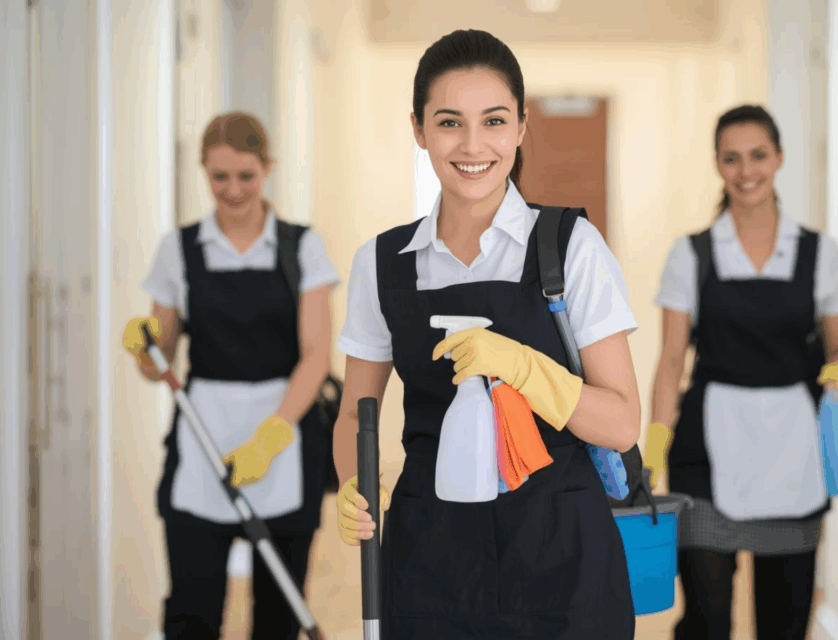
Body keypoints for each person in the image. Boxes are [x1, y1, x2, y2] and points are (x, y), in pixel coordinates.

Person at [333, 28, 641, 640]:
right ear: (418, 129)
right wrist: (353, 482)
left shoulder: (568, 249)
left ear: (522, 127)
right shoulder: (383, 262)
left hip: (562, 555)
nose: (473, 145)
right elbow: (354, 414)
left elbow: (622, 422)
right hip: (430, 558)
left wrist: (528, 369)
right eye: (449, 122)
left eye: (494, 120)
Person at [644, 104, 838, 639]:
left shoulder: (818, 253)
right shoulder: (691, 254)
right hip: (705, 453)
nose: (747, 171)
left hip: (794, 452)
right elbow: (672, 360)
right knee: (706, 620)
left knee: (784, 624)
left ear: (779, 158)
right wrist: (651, 449)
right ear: (718, 165)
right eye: (732, 158)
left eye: (758, 156)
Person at [121, 111, 341, 639]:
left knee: (277, 615)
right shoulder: (179, 249)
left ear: (267, 169)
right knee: (192, 612)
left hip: (283, 439)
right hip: (203, 437)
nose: (234, 190)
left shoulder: (300, 247)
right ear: (203, 171)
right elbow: (163, 360)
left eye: (246, 176)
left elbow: (316, 356)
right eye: (220, 177)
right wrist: (145, 350)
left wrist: (274, 434)